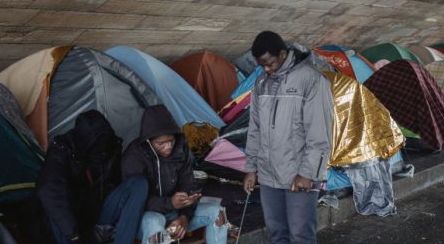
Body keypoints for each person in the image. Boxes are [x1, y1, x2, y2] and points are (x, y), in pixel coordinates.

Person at [243, 31, 334, 244]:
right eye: (262, 65)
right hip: (268, 175)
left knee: (301, 235)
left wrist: (308, 173)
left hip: (299, 174)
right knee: (277, 234)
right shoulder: (261, 84)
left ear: (283, 54)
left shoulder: (311, 80)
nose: (266, 69)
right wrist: (250, 167)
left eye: (270, 63)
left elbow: (319, 133)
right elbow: (254, 128)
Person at [37, 110, 147, 244]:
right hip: (72, 223)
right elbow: (48, 189)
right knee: (53, 204)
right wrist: (74, 235)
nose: (101, 150)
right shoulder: (62, 150)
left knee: (138, 184)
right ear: (84, 141)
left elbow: (114, 184)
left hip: (98, 213)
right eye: (97, 144)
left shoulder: (111, 147)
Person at [122, 105, 228, 244]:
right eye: (161, 143)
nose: (168, 146)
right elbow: (133, 201)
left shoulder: (180, 147)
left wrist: (185, 217)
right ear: (149, 141)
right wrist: (170, 203)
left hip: (175, 214)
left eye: (170, 141)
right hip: (145, 217)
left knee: (218, 213)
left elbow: (188, 184)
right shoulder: (134, 157)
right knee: (155, 223)